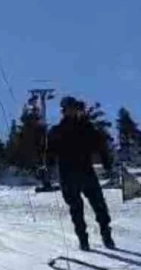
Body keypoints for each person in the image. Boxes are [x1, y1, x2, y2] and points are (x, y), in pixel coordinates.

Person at [47, 97, 114, 251]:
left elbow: (100, 145)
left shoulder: (87, 128)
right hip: (67, 175)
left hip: (86, 172)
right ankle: (83, 240)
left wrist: (106, 162)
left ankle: (107, 235)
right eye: (69, 109)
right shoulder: (57, 130)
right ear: (64, 111)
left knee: (99, 206)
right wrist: (47, 168)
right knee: (76, 209)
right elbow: (49, 152)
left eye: (75, 109)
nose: (73, 111)